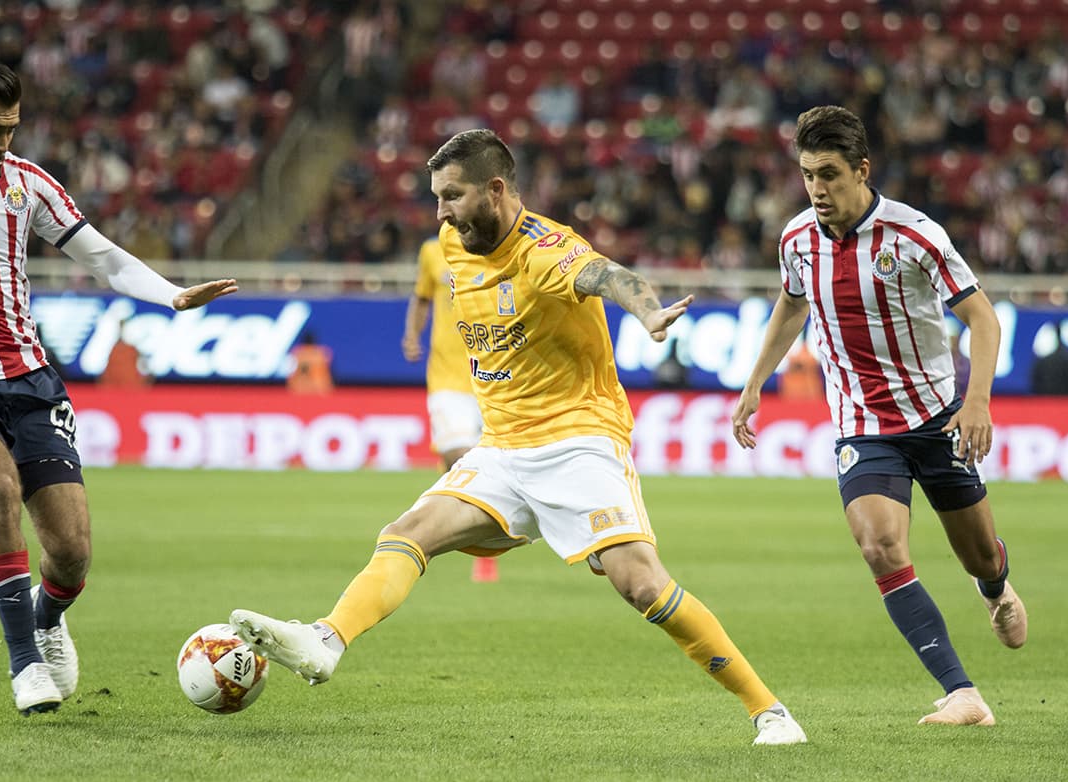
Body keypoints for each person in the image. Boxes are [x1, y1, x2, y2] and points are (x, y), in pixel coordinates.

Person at [232, 129, 807, 746]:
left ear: (496, 190)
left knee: (640, 583)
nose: (441, 213)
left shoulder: (545, 250)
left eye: (452, 196)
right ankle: (324, 640)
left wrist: (646, 310)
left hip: (578, 440)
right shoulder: (454, 244)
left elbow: (607, 275)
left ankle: (770, 712)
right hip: (503, 447)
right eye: (436, 198)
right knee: (407, 533)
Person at [0, 59, 238, 715]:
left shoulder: (27, 184)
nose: (3, 144)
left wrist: (172, 295)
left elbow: (102, 258)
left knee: (70, 553)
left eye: (11, 129)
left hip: (31, 381)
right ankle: (24, 665)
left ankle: (46, 617)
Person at [732, 105, 1027, 727]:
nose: (817, 189)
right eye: (808, 174)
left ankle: (996, 586)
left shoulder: (916, 235)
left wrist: (977, 402)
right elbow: (790, 308)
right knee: (880, 546)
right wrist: (755, 383)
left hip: (937, 417)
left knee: (977, 555)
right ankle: (962, 693)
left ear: (862, 170)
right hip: (861, 424)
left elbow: (983, 317)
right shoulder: (797, 240)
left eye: (830, 175)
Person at [400, 235, 493, 581]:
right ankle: (463, 533)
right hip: (446, 378)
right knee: (460, 455)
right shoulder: (431, 251)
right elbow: (421, 298)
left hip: (492, 377)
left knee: (492, 464)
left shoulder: (496, 247)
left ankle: (486, 543)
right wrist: (412, 334)